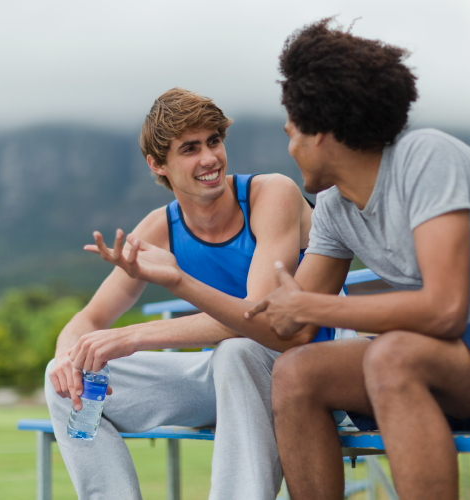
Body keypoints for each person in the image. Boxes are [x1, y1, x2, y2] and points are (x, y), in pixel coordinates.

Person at [102, 20, 470, 500]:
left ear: (322, 132)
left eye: (293, 133)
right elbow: (289, 331)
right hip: (452, 364)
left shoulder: (426, 157)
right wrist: (179, 281)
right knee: (298, 372)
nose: (289, 145)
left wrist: (316, 308)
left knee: (392, 354)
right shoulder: (336, 209)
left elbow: (442, 309)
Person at [46, 87, 355, 500]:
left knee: (237, 352)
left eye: (214, 141)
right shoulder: (160, 227)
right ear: (158, 164)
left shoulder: (270, 195)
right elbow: (88, 319)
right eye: (190, 149)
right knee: (62, 380)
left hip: (305, 368)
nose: (209, 158)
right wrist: (69, 358)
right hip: (229, 380)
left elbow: (258, 318)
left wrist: (134, 335)